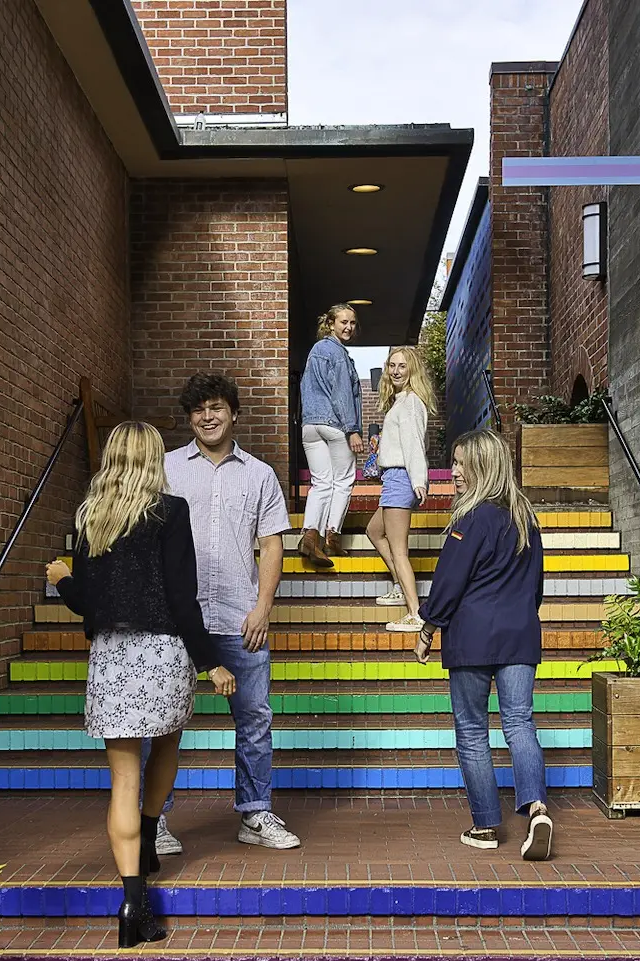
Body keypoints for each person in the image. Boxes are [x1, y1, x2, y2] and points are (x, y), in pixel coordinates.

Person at [45, 421, 237, 948]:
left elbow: (87, 603)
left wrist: (63, 581)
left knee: (121, 781)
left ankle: (134, 903)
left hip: (111, 655)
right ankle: (151, 834)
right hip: (163, 653)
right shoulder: (170, 512)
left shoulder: (91, 518)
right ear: (154, 459)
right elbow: (182, 596)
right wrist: (210, 662)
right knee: (167, 746)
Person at [154, 373, 302, 850]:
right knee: (161, 721)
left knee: (254, 718)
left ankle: (255, 814)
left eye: (216, 407)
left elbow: (272, 543)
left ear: (234, 413)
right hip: (179, 619)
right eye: (198, 410)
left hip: (242, 618)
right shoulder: (167, 469)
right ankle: (153, 817)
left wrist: (263, 607)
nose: (207, 416)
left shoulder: (259, 474)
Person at [413, 429, 555, 861]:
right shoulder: (525, 518)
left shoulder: (470, 520)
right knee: (519, 724)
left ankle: (486, 826)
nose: (453, 472)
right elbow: (537, 588)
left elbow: (448, 583)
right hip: (520, 634)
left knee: (473, 731)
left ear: (483, 466)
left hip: (473, 637)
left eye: (460, 464)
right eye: (453, 463)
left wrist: (427, 628)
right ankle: (537, 809)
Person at [367, 345, 437, 632]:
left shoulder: (409, 402)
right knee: (373, 530)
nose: (395, 371)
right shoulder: (401, 401)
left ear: (412, 371)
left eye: (402, 366)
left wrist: (419, 480)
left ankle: (415, 613)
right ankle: (399, 586)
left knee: (399, 551)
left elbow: (414, 446)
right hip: (394, 478)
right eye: (392, 366)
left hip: (401, 478)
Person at [297, 304, 365, 567]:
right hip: (335, 425)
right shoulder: (337, 354)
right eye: (343, 322)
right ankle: (332, 537)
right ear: (331, 324)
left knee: (321, 483)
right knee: (344, 482)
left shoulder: (315, 352)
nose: (348, 327)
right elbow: (342, 394)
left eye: (352, 323)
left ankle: (309, 538)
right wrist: (353, 429)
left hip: (310, 426)